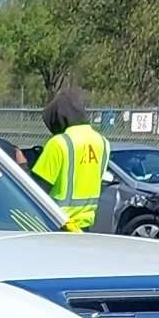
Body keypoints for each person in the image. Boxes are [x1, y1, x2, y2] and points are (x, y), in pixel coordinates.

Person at [31, 86, 108, 230]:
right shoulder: (103, 142)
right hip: (85, 226)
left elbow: (36, 188)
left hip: (58, 223)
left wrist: (22, 167)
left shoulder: (59, 143)